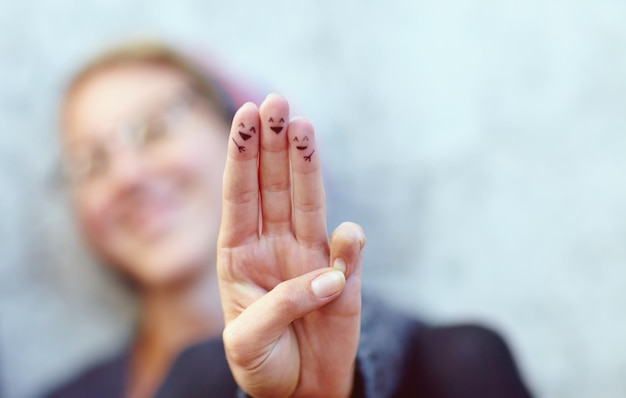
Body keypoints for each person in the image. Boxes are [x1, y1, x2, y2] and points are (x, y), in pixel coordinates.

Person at [46, 40, 533, 398]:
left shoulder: (455, 369)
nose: (127, 174)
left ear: (244, 131)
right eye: (89, 162)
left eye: (154, 129)